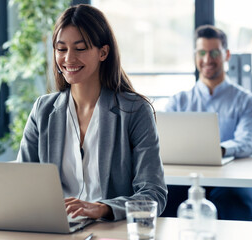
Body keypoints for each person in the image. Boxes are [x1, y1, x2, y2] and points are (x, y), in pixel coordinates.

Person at [16, 4, 168, 221]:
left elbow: (153, 195)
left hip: (109, 229)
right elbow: (22, 182)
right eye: (61, 49)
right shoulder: (43, 109)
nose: (68, 58)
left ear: (103, 52)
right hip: (57, 228)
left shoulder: (134, 111)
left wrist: (103, 208)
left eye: (80, 48)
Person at [162, 25, 252, 221]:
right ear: (195, 55)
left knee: (237, 202)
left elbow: (248, 142)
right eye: (202, 53)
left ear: (227, 55)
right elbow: (163, 142)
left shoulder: (246, 100)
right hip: (185, 178)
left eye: (214, 52)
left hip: (232, 180)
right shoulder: (178, 101)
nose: (207, 59)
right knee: (162, 199)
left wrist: (219, 149)